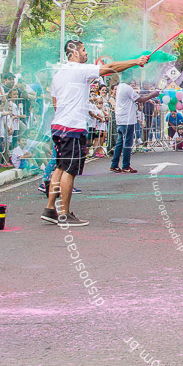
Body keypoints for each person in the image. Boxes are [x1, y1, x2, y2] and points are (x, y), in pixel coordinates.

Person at [40, 40, 149, 226]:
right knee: (69, 170)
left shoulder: (59, 74)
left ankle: (50, 209)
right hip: (72, 127)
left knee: (59, 167)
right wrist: (136, 61)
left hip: (58, 125)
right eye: (83, 50)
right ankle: (65, 214)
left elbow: (55, 102)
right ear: (74, 52)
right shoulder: (80, 69)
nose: (86, 53)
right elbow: (111, 67)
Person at [110, 75, 159, 174]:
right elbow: (139, 99)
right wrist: (152, 95)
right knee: (127, 143)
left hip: (121, 119)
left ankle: (114, 164)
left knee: (120, 142)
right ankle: (126, 166)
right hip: (127, 119)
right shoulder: (127, 88)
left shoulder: (120, 86)